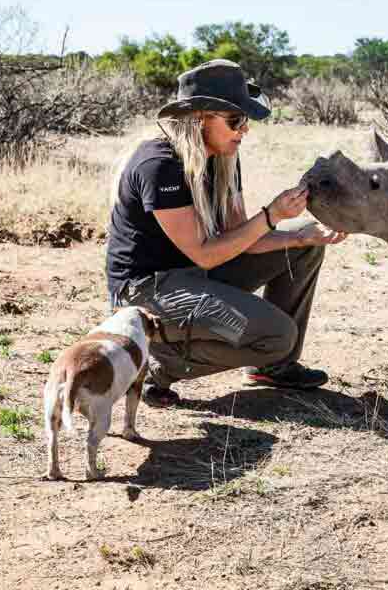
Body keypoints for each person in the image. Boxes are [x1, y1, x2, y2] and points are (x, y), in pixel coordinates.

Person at [106, 58, 347, 407]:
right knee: (280, 335)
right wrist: (271, 215)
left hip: (194, 274)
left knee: (303, 243)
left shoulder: (222, 157)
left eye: (245, 120)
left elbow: (240, 238)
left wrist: (300, 237)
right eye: (235, 120)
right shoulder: (158, 164)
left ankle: (273, 368)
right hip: (146, 291)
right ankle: (155, 365)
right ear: (199, 118)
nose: (244, 129)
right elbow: (205, 252)